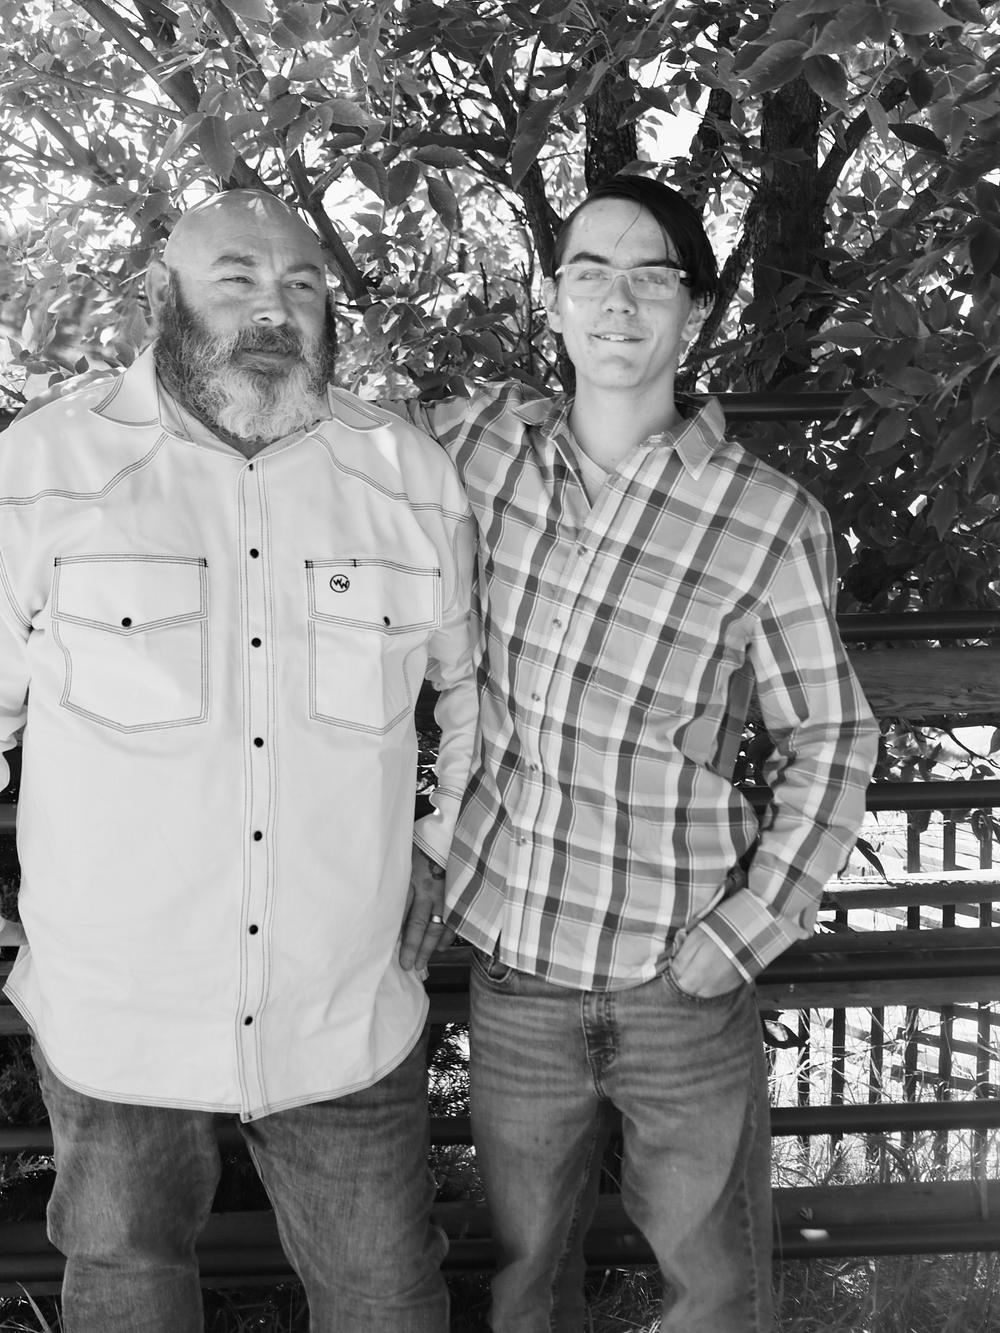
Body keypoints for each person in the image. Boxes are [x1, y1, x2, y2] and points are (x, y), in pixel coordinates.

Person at [404, 175, 880, 1333]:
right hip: (516, 964)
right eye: (589, 274)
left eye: (650, 278)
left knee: (715, 1295)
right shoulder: (472, 449)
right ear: (551, 299)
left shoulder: (767, 518)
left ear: (695, 309)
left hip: (681, 969)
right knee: (522, 1287)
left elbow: (829, 733)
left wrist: (747, 928)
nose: (617, 303)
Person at [0, 189, 477, 1333]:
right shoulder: (44, 466)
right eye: (237, 280)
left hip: (341, 998)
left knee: (386, 1300)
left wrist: (439, 846)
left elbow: (471, 698)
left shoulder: (406, 475)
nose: (275, 308)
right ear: (158, 297)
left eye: (302, 284)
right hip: (118, 1005)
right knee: (127, 1285)